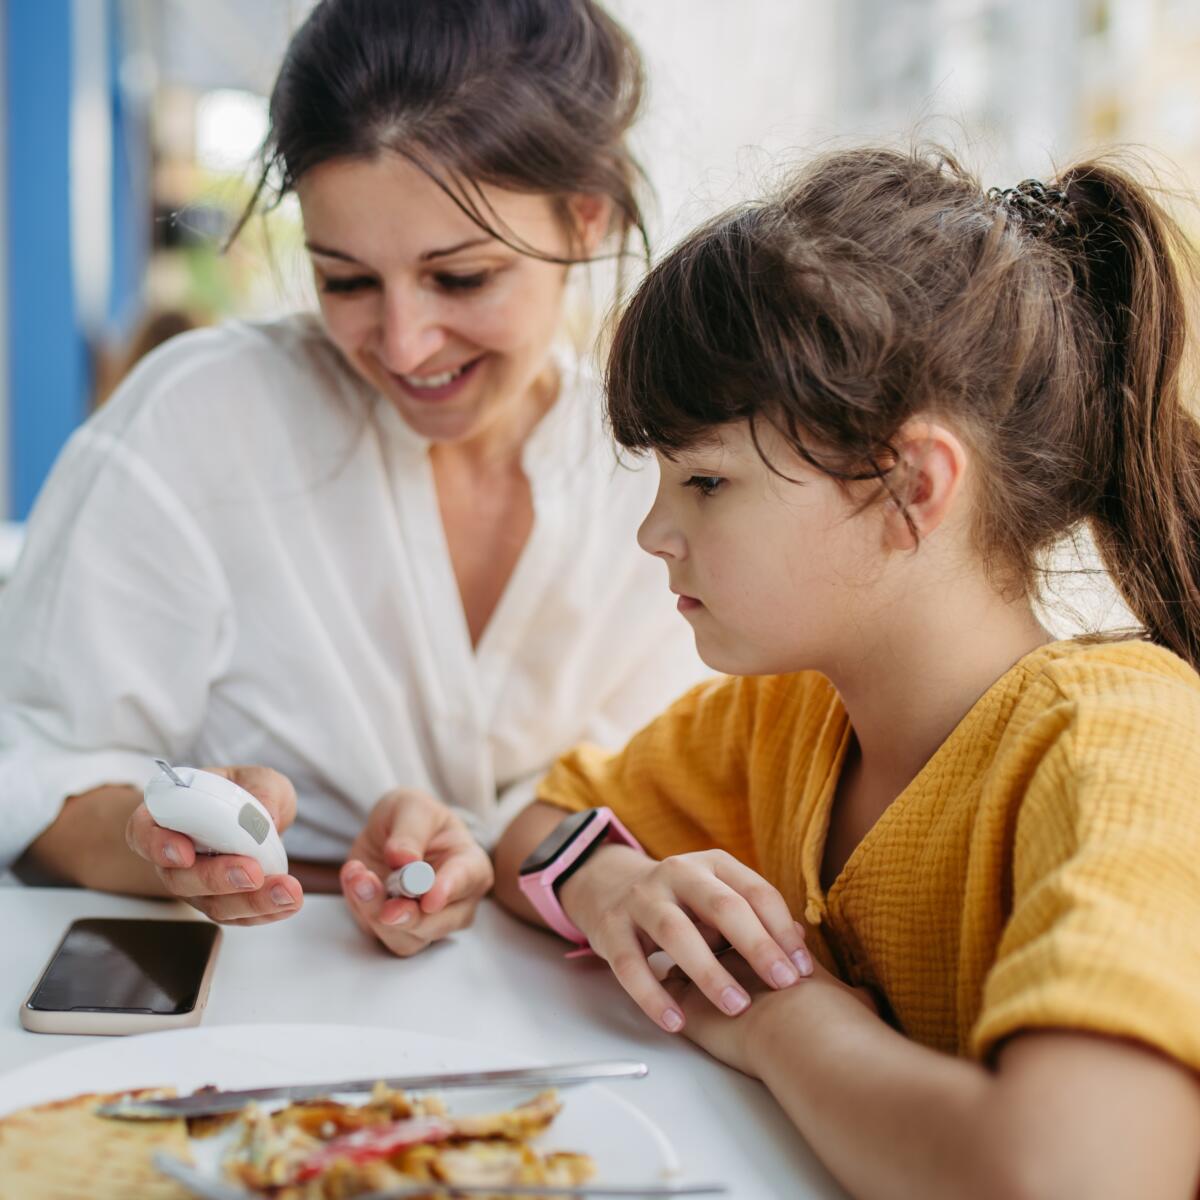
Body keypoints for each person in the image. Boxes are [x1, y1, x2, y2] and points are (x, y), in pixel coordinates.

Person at [493, 147, 1200, 1196]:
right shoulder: (782, 719)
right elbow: (535, 823)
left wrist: (785, 1021)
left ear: (909, 485)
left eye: (706, 480)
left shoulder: (1121, 745)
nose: (655, 532)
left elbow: (1076, 1175)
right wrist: (615, 885)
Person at [0, 0, 705, 957]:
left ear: (585, 220)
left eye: (461, 278)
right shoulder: (199, 421)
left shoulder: (666, 476)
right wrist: (159, 844)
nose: (406, 345)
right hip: (262, 1035)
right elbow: (34, 775)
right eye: (347, 280)